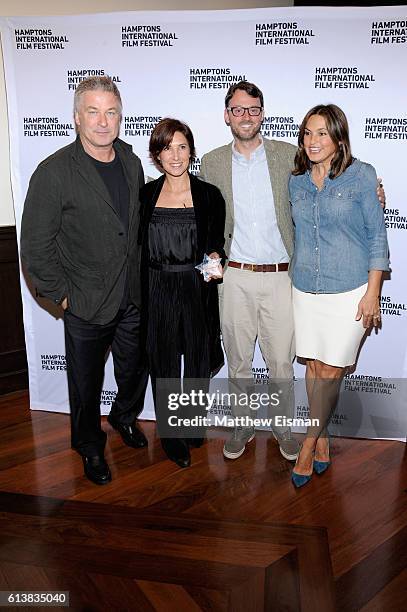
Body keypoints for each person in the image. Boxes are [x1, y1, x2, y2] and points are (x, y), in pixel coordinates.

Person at [201, 81, 386, 463]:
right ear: (227, 116)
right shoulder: (211, 161)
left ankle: (284, 429)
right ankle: (242, 425)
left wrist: (376, 192)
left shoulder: (290, 157)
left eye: (253, 109)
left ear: (262, 113)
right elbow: (192, 199)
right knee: (237, 359)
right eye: (238, 110)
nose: (246, 116)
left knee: (282, 362)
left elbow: (338, 177)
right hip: (234, 276)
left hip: (283, 276)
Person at [20, 76, 149, 485]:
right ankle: (89, 444)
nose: (102, 121)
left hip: (131, 295)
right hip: (85, 300)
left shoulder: (131, 162)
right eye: (92, 112)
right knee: (85, 383)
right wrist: (63, 298)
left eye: (110, 112)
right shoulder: (54, 171)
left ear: (119, 116)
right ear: (77, 118)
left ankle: (125, 417)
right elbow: (35, 247)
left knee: (133, 370)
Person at [289, 104, 389, 487]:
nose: (312, 141)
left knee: (332, 370)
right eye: (308, 133)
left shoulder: (361, 176)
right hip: (305, 289)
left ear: (338, 138)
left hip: (350, 290)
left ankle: (308, 444)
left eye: (322, 134)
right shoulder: (295, 180)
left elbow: (378, 237)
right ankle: (324, 437)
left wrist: (373, 292)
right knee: (315, 368)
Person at [139, 118, 226, 468]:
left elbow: (215, 246)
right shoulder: (146, 195)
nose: (174, 155)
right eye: (166, 148)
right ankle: (171, 434)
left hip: (195, 287)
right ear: (156, 155)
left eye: (181, 147)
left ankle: (190, 422)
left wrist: (216, 260)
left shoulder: (209, 195)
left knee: (196, 359)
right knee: (162, 363)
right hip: (156, 285)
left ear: (191, 151)